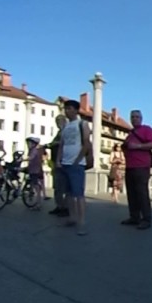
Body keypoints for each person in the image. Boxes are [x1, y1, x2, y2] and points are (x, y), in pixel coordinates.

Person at [57, 100, 91, 236]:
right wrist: (58, 160)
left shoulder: (82, 124)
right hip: (64, 163)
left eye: (70, 108)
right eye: (65, 109)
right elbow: (61, 145)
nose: (67, 111)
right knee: (69, 194)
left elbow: (86, 143)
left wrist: (77, 160)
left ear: (76, 110)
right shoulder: (65, 127)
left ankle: (82, 222)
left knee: (79, 194)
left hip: (76, 164)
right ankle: (72, 217)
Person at [121, 110, 152, 230]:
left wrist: (138, 146)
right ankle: (134, 217)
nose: (135, 119)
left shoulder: (146, 129)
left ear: (141, 118)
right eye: (132, 117)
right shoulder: (130, 133)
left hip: (142, 167)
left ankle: (146, 219)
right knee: (131, 193)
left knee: (142, 193)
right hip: (129, 166)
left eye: (137, 117)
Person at [45, 115, 69, 216]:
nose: (57, 123)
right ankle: (59, 206)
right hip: (55, 161)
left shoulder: (66, 131)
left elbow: (65, 143)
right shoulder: (59, 132)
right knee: (57, 187)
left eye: (59, 120)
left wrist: (53, 143)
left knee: (64, 187)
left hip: (63, 162)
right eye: (56, 121)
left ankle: (65, 207)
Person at [26, 137, 44, 211]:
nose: (28, 144)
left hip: (35, 171)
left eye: (29, 143)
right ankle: (37, 202)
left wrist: (22, 159)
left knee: (36, 188)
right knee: (34, 186)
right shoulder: (31, 150)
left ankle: (38, 204)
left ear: (33, 144)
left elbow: (31, 158)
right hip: (33, 169)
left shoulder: (34, 151)